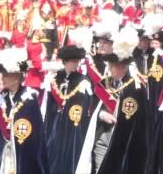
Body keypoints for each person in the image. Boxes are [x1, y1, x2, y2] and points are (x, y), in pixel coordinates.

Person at [96, 27, 149, 174]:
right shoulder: (107, 83)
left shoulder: (134, 89)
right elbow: (93, 105)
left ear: (123, 67)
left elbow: (133, 126)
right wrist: (101, 114)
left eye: (113, 66)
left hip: (123, 143)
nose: (111, 69)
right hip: (102, 135)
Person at [0, 47, 49, 174]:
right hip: (3, 155)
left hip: (23, 156)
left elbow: (36, 137)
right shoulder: (1, 99)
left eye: (6, 75)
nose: (2, 79)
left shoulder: (29, 100)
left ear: (16, 77)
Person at [45, 45, 92, 174]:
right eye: (73, 61)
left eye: (77, 61)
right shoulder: (54, 79)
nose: (76, 64)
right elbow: (48, 103)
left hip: (73, 125)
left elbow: (85, 104)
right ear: (65, 61)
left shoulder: (82, 80)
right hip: (56, 122)